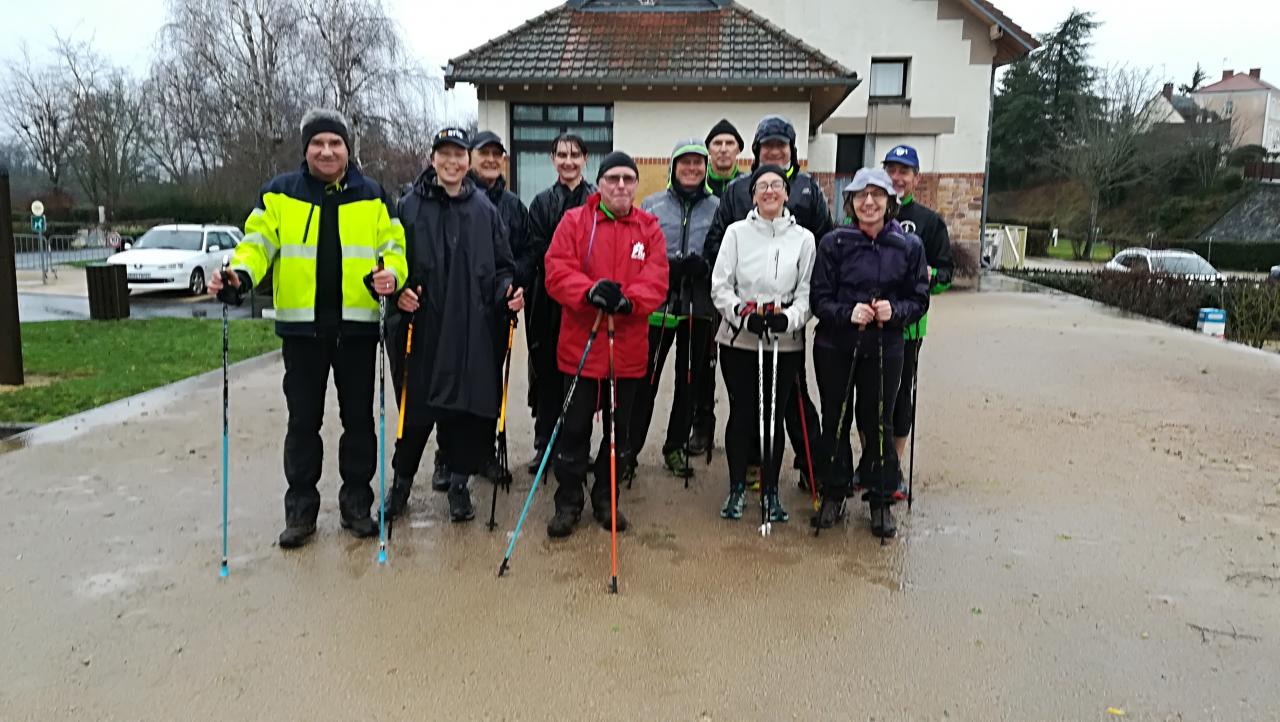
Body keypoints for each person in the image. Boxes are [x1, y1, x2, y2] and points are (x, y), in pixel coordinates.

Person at [209, 108, 407, 549]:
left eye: (335, 143)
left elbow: (394, 246)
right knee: (303, 424)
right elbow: (256, 244)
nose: (326, 150)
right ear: (306, 149)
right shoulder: (280, 194)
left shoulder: (373, 195)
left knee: (359, 423)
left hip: (356, 330)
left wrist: (392, 276)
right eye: (318, 143)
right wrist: (238, 275)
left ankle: (357, 506)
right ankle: (300, 512)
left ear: (348, 148)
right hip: (302, 333)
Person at [380, 127, 521, 523]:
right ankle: (401, 485)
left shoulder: (484, 210)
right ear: (433, 160)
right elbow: (389, 263)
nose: (452, 162)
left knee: (465, 417)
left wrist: (509, 290)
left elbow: (502, 267)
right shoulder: (408, 207)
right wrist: (399, 291)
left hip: (469, 332)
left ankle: (459, 485)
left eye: (459, 155)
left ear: (467, 161)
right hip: (421, 330)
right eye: (445, 154)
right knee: (415, 415)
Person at [543, 151, 668, 538]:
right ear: (600, 183)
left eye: (628, 179)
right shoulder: (575, 221)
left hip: (626, 351)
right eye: (612, 178)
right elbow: (556, 269)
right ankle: (568, 500)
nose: (620, 186)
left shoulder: (649, 228)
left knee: (618, 434)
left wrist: (630, 300)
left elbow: (657, 279)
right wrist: (589, 290)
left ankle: (605, 497)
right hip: (582, 347)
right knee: (575, 429)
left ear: (636, 184)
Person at [705, 114, 828, 491]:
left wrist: (794, 311)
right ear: (757, 152)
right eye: (767, 146)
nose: (774, 151)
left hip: (787, 322)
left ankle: (811, 465)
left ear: (791, 151)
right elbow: (718, 247)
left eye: (781, 145)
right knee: (747, 400)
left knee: (793, 396)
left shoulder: (809, 189)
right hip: (744, 318)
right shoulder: (738, 191)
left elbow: (823, 245)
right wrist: (740, 306)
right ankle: (753, 466)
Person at [809, 168, 929, 538]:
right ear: (851, 202)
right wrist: (847, 313)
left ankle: (880, 498)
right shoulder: (834, 242)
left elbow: (919, 297)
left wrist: (897, 311)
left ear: (890, 201)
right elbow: (819, 298)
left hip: (885, 345)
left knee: (879, 420)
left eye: (877, 195)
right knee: (836, 417)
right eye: (861, 195)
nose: (869, 202)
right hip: (836, 343)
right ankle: (834, 491)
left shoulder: (909, 246)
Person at [419, 130, 531, 493]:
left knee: (486, 386)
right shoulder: (450, 196)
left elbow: (523, 252)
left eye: (498, 154)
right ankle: (446, 458)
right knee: (447, 382)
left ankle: (482, 453)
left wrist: (514, 285)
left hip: (494, 310)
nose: (491, 160)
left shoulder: (512, 206)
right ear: (472, 158)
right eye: (484, 153)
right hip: (450, 308)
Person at [709, 165, 816, 524]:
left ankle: (771, 490)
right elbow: (720, 286)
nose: (769, 191)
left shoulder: (803, 238)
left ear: (787, 193)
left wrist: (789, 319)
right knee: (742, 413)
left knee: (774, 415)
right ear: (752, 195)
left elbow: (807, 293)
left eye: (776, 185)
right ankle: (737, 486)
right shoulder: (736, 233)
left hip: (783, 340)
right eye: (762, 186)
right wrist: (742, 314)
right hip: (740, 337)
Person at [631, 139, 720, 479]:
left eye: (699, 163)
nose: (692, 168)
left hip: (699, 307)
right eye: (686, 162)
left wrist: (705, 265)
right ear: (673, 166)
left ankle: (675, 446)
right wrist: (666, 266)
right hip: (659, 305)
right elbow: (639, 252)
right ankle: (630, 447)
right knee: (646, 380)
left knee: (689, 381)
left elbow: (725, 253)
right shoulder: (653, 205)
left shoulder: (717, 206)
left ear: (706, 168)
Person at [881, 145, 954, 494]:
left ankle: (894, 468)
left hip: (908, 326)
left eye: (903, 171)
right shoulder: (866, 210)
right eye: (891, 170)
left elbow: (946, 274)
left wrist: (928, 275)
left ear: (915, 177)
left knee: (899, 397)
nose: (896, 177)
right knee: (867, 395)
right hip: (868, 323)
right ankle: (870, 463)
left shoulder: (928, 221)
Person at [526, 133, 595, 474]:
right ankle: (544, 444)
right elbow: (537, 249)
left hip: (585, 300)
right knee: (547, 371)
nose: (568, 161)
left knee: (582, 373)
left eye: (575, 155)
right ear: (552, 159)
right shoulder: (540, 203)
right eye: (561, 155)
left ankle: (578, 442)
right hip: (548, 299)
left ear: (586, 158)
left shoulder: (596, 200)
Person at [686, 118, 746, 458]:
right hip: (705, 290)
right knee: (703, 362)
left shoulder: (747, 186)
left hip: (743, 291)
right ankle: (701, 425)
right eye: (717, 144)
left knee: (739, 363)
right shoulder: (698, 186)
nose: (723, 149)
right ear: (709, 152)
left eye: (729, 143)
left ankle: (741, 428)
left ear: (739, 150)